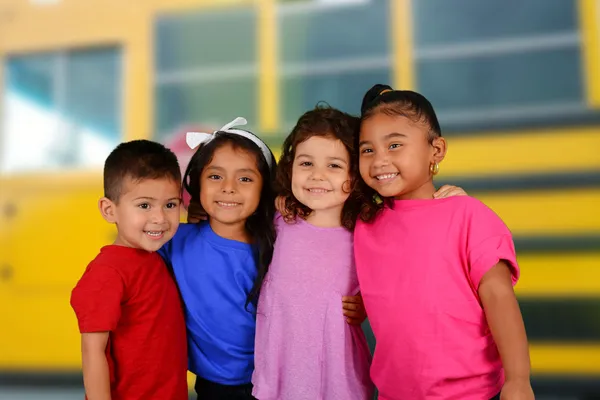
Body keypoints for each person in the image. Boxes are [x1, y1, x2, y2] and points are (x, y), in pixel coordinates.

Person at [354, 84, 534, 400]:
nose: (379, 160)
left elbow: (498, 296)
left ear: (436, 150)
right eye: (367, 150)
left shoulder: (467, 214)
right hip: (394, 394)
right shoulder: (366, 224)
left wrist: (518, 380)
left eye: (394, 145)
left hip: (471, 393)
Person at [251, 106, 374, 400]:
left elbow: (396, 282)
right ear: (290, 168)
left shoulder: (367, 231)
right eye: (306, 164)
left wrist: (367, 304)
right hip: (280, 374)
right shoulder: (280, 219)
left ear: (355, 175)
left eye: (334, 165)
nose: (317, 176)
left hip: (338, 377)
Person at [159, 118, 277, 400]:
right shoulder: (175, 240)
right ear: (197, 183)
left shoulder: (276, 247)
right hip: (210, 385)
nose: (229, 187)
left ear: (264, 191)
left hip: (270, 380)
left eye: (245, 178)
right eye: (215, 176)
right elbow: (133, 229)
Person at [70, 140, 188, 400]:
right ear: (109, 210)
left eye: (170, 205)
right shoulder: (107, 272)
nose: (160, 217)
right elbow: (93, 353)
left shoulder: (155, 256)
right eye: (144, 205)